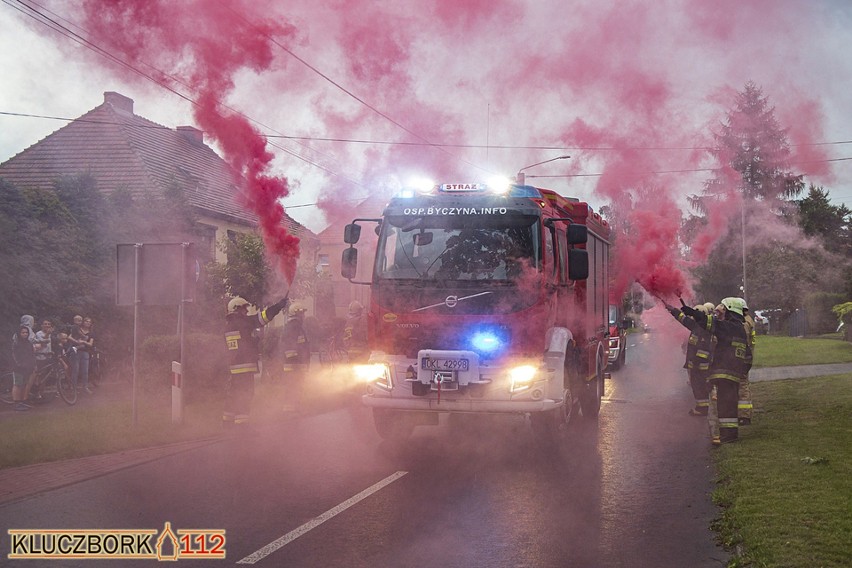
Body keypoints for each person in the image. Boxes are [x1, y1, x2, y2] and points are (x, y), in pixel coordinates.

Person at [672, 297, 753, 445]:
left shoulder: (729, 327)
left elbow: (709, 323)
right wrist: (743, 370)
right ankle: (728, 435)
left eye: (724, 309)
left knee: (724, 406)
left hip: (724, 372)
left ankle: (727, 437)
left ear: (730, 310)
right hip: (732, 374)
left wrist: (694, 313)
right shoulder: (739, 328)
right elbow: (748, 356)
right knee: (727, 405)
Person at [223, 295, 289, 427]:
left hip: (234, 368)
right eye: (244, 309)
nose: (247, 312)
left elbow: (235, 346)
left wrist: (252, 340)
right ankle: (242, 424)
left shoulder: (227, 327)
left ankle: (227, 421)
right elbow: (265, 316)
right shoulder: (244, 322)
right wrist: (279, 305)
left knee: (234, 394)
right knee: (245, 394)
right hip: (246, 367)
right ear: (237, 309)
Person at [667, 302, 716, 416]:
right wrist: (673, 310)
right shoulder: (697, 326)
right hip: (697, 365)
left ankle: (702, 409)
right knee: (699, 387)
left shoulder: (704, 329)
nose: (693, 318)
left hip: (700, 365)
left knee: (700, 387)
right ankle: (702, 407)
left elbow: (704, 349)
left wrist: (695, 362)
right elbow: (684, 320)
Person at [279, 301, 310, 413]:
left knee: (295, 388)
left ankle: (294, 409)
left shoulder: (295, 326)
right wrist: (297, 362)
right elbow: (290, 347)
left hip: (295, 365)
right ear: (297, 314)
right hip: (294, 365)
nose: (304, 316)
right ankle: (290, 412)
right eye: (302, 313)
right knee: (292, 388)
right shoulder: (294, 326)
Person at [11, 325, 36, 411]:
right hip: (18, 368)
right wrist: (19, 364)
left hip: (28, 368)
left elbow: (31, 354)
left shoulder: (29, 343)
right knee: (17, 385)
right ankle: (16, 403)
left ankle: (22, 402)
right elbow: (13, 355)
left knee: (24, 384)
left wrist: (32, 365)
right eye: (23, 332)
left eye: (26, 332)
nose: (25, 334)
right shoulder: (16, 343)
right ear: (19, 333)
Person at [739, 302, 756, 426]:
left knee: (742, 386)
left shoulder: (744, 322)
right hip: (746, 356)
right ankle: (743, 414)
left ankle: (744, 416)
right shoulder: (748, 319)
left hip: (742, 357)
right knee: (743, 385)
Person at [70, 316, 95, 394]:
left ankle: (85, 387)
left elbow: (90, 344)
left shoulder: (91, 333)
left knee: (85, 371)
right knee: (75, 370)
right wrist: (77, 342)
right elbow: (69, 337)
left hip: (85, 352)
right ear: (83, 322)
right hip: (76, 351)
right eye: (86, 321)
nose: (88, 323)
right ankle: (74, 388)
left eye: (89, 322)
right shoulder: (77, 329)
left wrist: (84, 342)